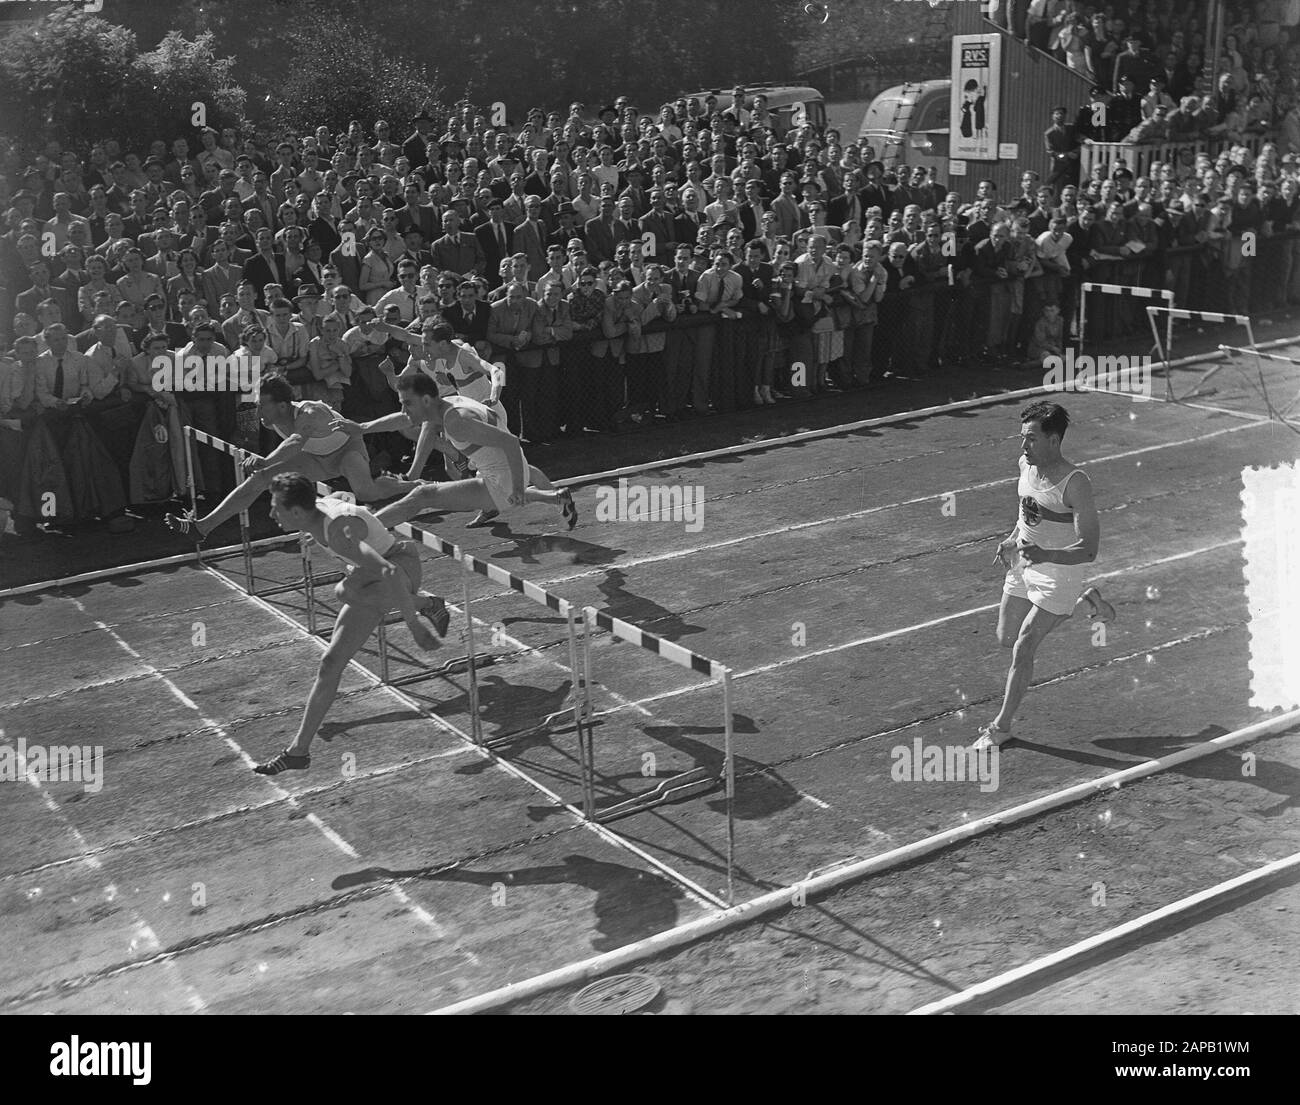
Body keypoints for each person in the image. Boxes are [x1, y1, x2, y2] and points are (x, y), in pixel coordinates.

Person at [251, 472, 450, 775]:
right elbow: (342, 496)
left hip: (401, 566)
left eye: (275, 507)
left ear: (295, 512)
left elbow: (391, 573)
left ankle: (425, 605)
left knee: (344, 591)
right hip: (370, 577)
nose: (270, 513)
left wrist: (413, 625)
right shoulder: (317, 509)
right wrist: (354, 513)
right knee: (330, 663)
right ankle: (298, 752)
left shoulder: (338, 534)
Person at [976, 401, 1116, 750]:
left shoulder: (1075, 483)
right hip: (1024, 563)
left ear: (1053, 440)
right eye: (1022, 438)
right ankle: (1086, 601)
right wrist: (1012, 539)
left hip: (1060, 571)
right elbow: (1027, 510)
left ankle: (1001, 726)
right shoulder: (1026, 465)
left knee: (1024, 645)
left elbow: (1088, 549)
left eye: (1031, 439)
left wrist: (1045, 555)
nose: (1023, 446)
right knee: (1006, 638)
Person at [164, 374, 419, 541]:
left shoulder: (309, 412)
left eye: (262, 404)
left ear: (283, 406)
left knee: (367, 492)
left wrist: (264, 459)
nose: (258, 409)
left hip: (346, 450)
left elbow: (296, 442)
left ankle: (412, 486)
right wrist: (262, 464)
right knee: (261, 479)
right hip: (316, 457)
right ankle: (202, 527)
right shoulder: (269, 419)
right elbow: (289, 444)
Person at [335, 372, 576, 530]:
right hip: (498, 471)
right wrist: (362, 428)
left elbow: (512, 442)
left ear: (427, 400)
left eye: (407, 403)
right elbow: (403, 419)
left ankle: (362, 532)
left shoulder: (456, 422)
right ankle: (555, 497)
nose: (404, 409)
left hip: (502, 482)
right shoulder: (445, 405)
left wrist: (516, 490)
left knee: (423, 496)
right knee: (425, 483)